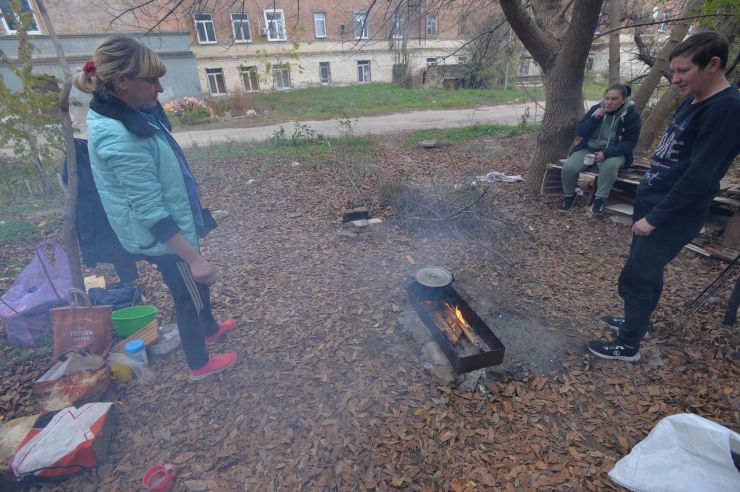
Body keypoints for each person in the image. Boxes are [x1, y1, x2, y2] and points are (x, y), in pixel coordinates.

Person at [73, 35, 238, 380]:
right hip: (163, 236)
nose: (161, 88)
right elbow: (150, 211)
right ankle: (199, 364)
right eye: (152, 80)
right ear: (122, 82)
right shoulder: (119, 136)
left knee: (197, 283)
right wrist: (193, 257)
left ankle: (209, 329)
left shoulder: (127, 110)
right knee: (189, 294)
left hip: (172, 223)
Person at [588, 32, 740, 362]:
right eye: (674, 71)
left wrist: (655, 218)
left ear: (713, 65)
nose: (676, 79)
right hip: (653, 201)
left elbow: (701, 177)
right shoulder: (695, 99)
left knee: (637, 277)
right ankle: (635, 324)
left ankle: (628, 346)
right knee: (648, 272)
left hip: (672, 214)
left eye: (684, 71)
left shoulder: (726, 109)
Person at [561, 84, 641, 215]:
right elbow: (580, 131)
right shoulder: (596, 109)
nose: (609, 102)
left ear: (624, 99)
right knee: (569, 167)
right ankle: (569, 195)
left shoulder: (631, 115)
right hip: (589, 148)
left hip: (615, 152)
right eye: (607, 98)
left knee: (609, 166)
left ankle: (599, 200)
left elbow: (630, 143)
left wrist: (606, 153)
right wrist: (595, 118)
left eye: (614, 99)